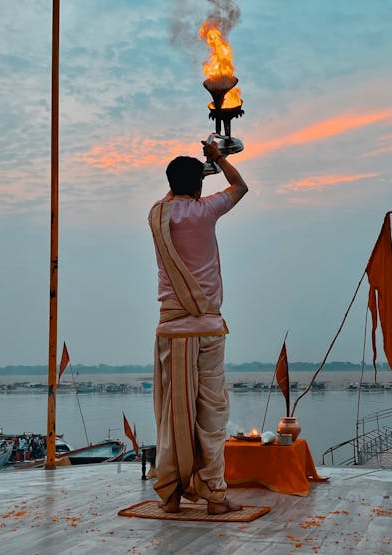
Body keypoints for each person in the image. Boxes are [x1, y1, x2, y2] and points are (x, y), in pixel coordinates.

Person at [148, 140, 248, 515]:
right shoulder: (205, 211)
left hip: (171, 329)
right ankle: (214, 496)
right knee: (211, 414)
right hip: (207, 327)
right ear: (200, 186)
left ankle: (171, 495)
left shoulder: (156, 214)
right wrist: (218, 158)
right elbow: (240, 187)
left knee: (173, 414)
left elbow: (174, 192)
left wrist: (193, 171)